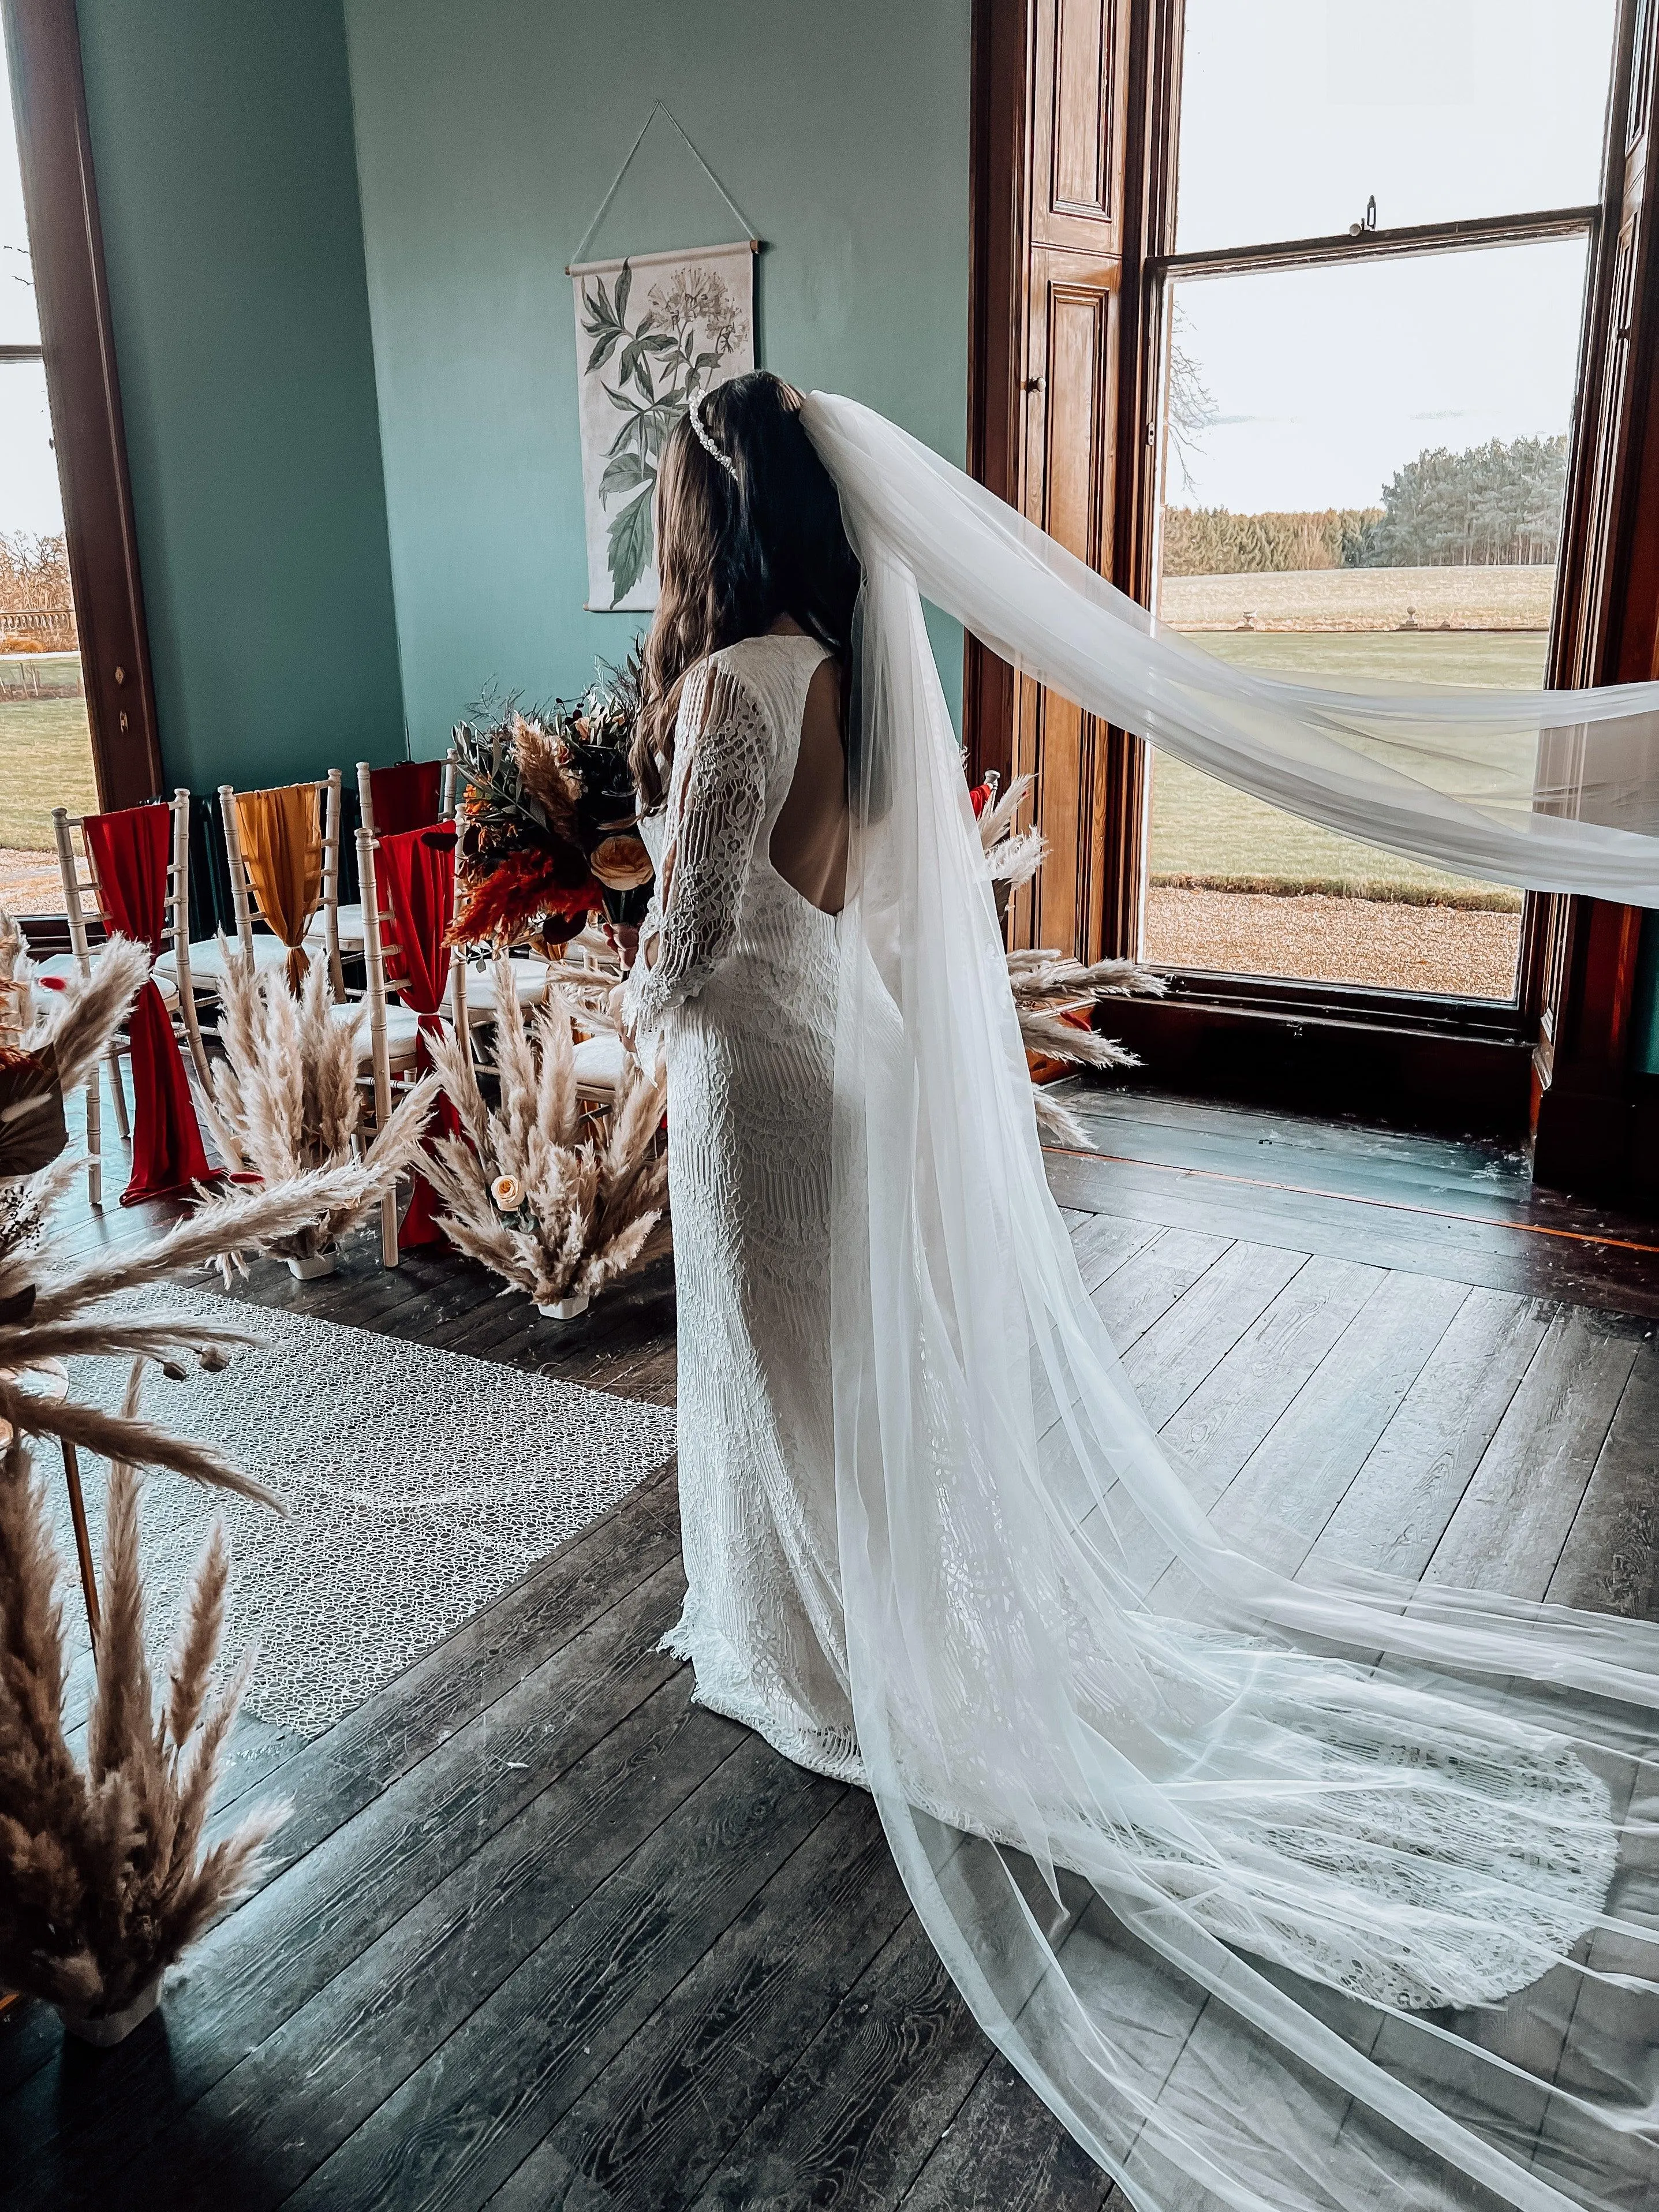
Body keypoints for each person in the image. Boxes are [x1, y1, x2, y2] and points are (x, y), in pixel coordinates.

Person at [612, 371, 1658, 2212]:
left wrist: (605, 1011)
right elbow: (846, 914)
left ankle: (836, 1662)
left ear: (711, 510)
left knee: (777, 1373)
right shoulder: (859, 671)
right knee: (840, 1377)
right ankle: (848, 1629)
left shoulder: (727, 688)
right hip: (833, 1066)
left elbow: (685, 947)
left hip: (750, 1092)